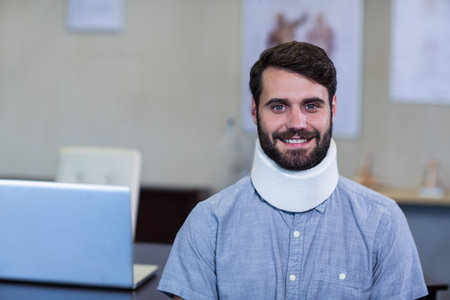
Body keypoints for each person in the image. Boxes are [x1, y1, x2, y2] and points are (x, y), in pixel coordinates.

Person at [157, 41, 428, 299]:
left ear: (332, 109)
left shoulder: (383, 222)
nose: (296, 123)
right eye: (279, 106)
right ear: (254, 112)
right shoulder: (208, 223)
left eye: (311, 106)